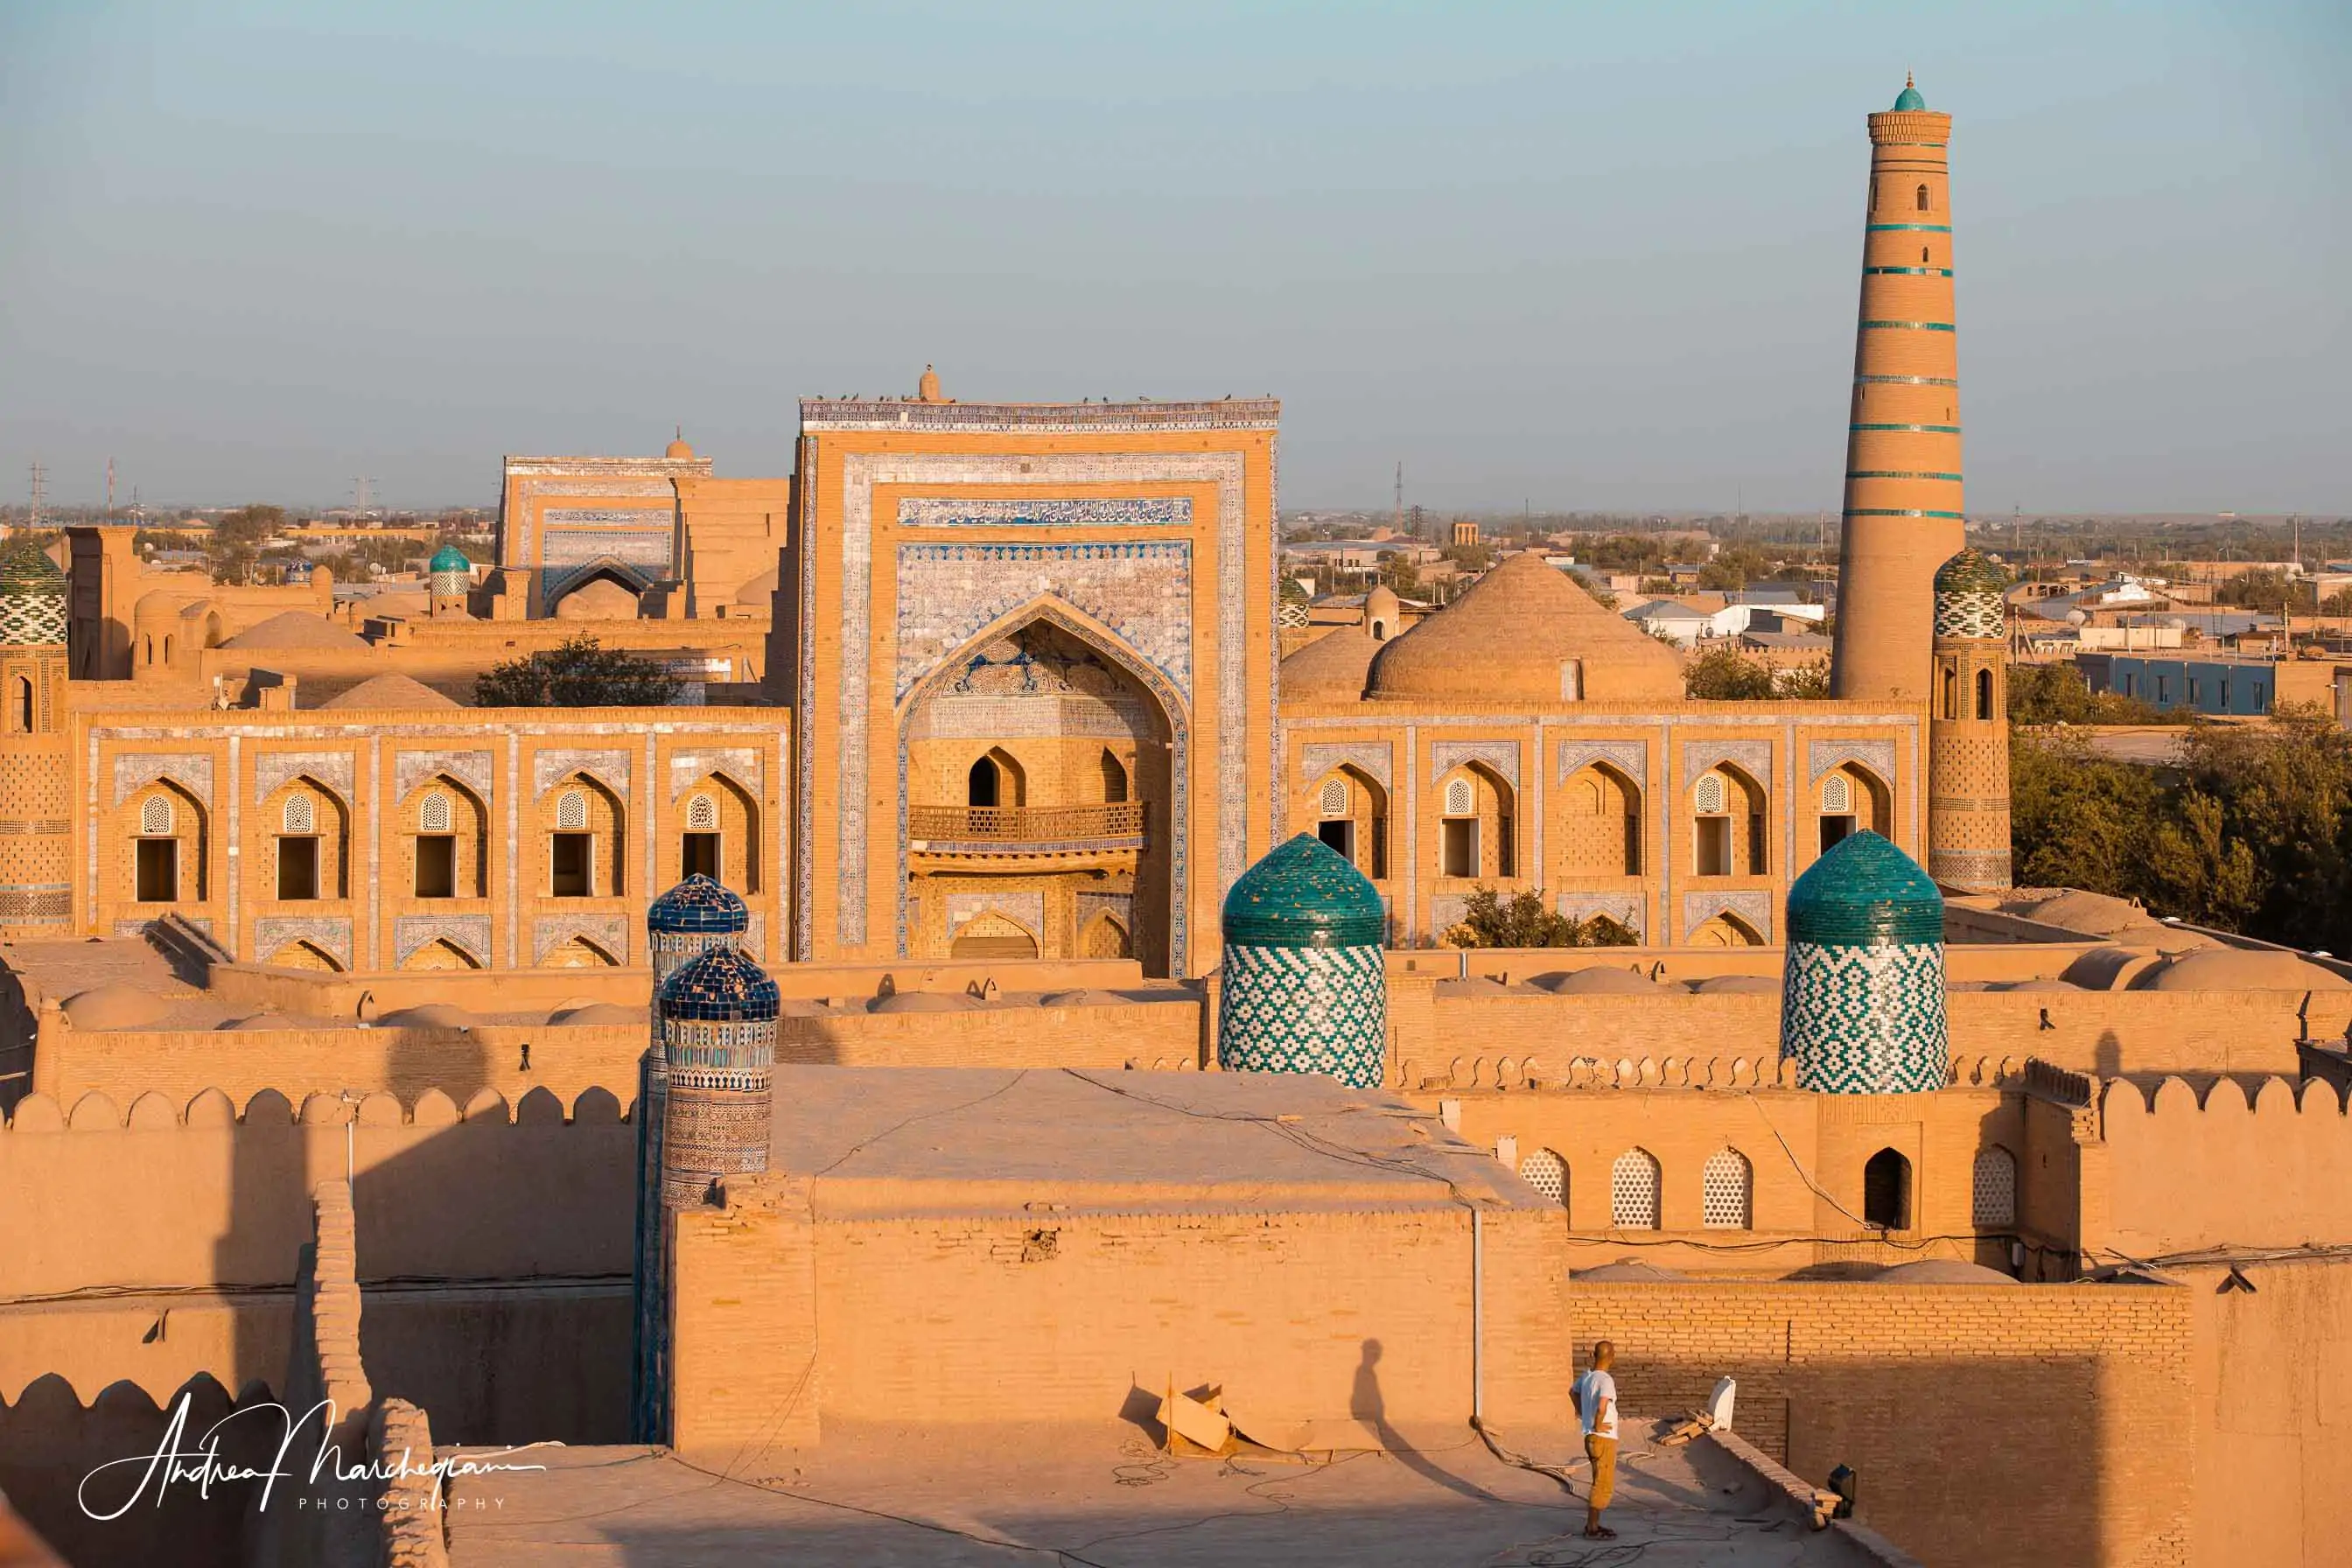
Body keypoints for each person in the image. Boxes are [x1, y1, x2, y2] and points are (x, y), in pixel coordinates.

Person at [1569, 1340, 1620, 1540]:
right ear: (1611, 1357)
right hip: (1603, 1438)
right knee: (1602, 1484)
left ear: (1594, 1355)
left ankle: (1594, 1523)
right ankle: (1592, 1528)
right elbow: (1602, 1405)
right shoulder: (1606, 1380)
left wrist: (1583, 1414)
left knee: (1597, 1480)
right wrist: (1598, 1423)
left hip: (1590, 1437)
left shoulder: (1587, 1377)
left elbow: (1572, 1392)